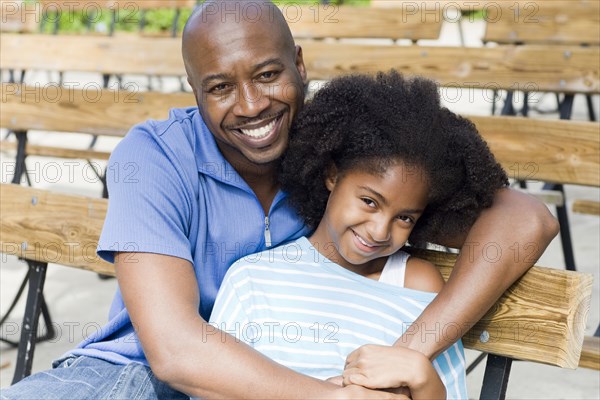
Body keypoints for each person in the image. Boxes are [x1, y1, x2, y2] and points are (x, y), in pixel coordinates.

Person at [1, 1, 558, 399]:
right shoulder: (155, 157)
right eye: (220, 87)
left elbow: (523, 218)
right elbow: (173, 353)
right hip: (137, 375)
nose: (250, 106)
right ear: (194, 91)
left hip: (285, 376)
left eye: (268, 75)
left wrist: (405, 355)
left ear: (299, 62)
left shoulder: (338, 158)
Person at [208, 71, 508, 400]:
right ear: (332, 175)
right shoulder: (252, 280)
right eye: (369, 202)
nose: (380, 231)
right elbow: (213, 386)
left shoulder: (416, 284)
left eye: (404, 217)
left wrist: (422, 377)